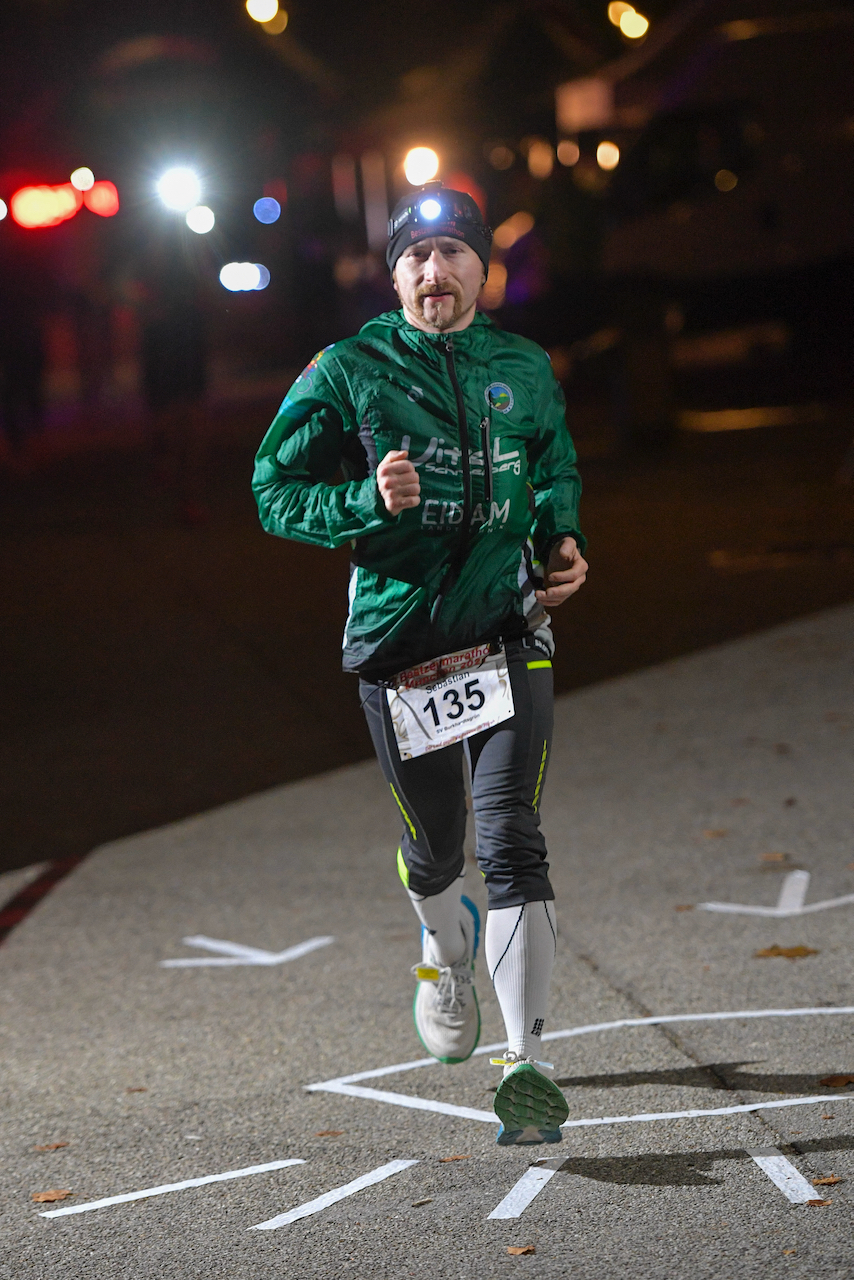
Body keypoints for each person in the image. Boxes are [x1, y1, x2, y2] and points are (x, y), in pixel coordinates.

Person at [253, 183, 587, 1146]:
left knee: (511, 834)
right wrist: (365, 499)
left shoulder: (523, 365)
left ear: (485, 267)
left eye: (452, 253)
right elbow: (273, 489)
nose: (433, 272)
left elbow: (553, 461)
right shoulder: (349, 368)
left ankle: (527, 1061)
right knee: (440, 850)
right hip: (402, 654)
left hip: (508, 635)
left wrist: (563, 537)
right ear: (393, 272)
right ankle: (444, 946)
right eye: (415, 257)